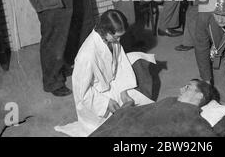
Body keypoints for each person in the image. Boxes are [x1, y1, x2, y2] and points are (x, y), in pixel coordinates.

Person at [54, 9, 154, 137]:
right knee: (115, 129)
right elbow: (82, 92)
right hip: (95, 95)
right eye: (116, 36)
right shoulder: (87, 54)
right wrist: (105, 103)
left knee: (138, 60)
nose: (119, 40)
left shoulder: (111, 39)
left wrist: (123, 91)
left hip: (111, 82)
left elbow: (121, 64)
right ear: (105, 31)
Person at [90, 79, 217, 137]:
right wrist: (127, 105)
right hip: (122, 127)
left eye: (188, 87)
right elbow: (140, 111)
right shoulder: (169, 100)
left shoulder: (192, 117)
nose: (181, 89)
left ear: (200, 95)